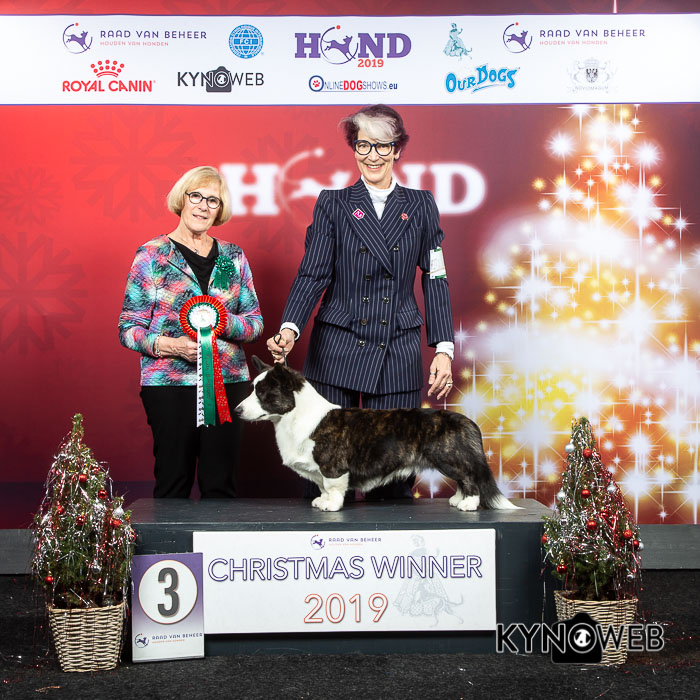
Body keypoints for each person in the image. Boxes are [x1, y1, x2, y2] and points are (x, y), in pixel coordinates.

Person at [267, 104, 454, 500]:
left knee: (395, 469)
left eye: (382, 146)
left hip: (397, 346)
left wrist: (443, 348)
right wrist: (289, 327)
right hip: (337, 345)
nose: (372, 155)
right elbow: (313, 273)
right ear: (354, 149)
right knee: (321, 469)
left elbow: (435, 277)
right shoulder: (333, 203)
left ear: (397, 150)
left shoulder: (421, 204)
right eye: (363, 145)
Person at [119, 166, 263, 498]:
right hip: (168, 386)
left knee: (221, 485)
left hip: (228, 383)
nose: (203, 206)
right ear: (181, 200)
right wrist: (173, 346)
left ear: (220, 209)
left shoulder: (232, 257)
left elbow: (255, 323)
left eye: (213, 200)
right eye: (196, 196)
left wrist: (223, 322)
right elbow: (128, 328)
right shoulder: (152, 255)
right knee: (173, 482)